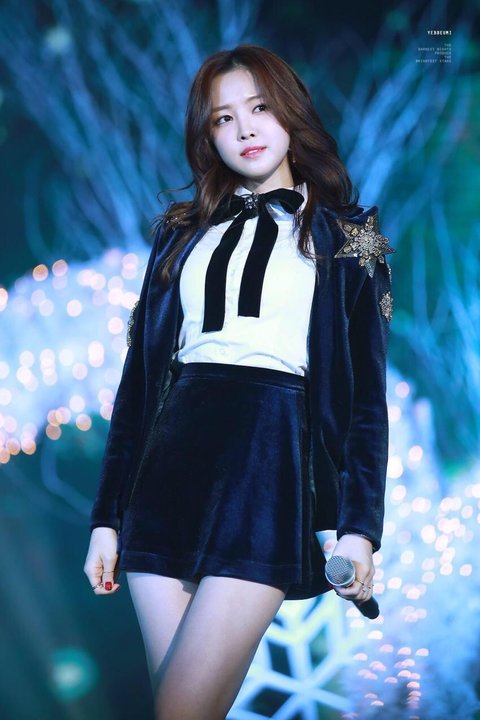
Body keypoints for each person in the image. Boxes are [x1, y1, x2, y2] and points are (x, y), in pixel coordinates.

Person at [83, 44, 393, 720]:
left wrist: (359, 528)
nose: (245, 129)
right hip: (164, 475)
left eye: (258, 108)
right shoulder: (178, 235)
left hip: (266, 475)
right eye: (224, 118)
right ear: (208, 136)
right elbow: (137, 386)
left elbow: (367, 401)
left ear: (289, 113)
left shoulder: (350, 238)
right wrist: (106, 519)